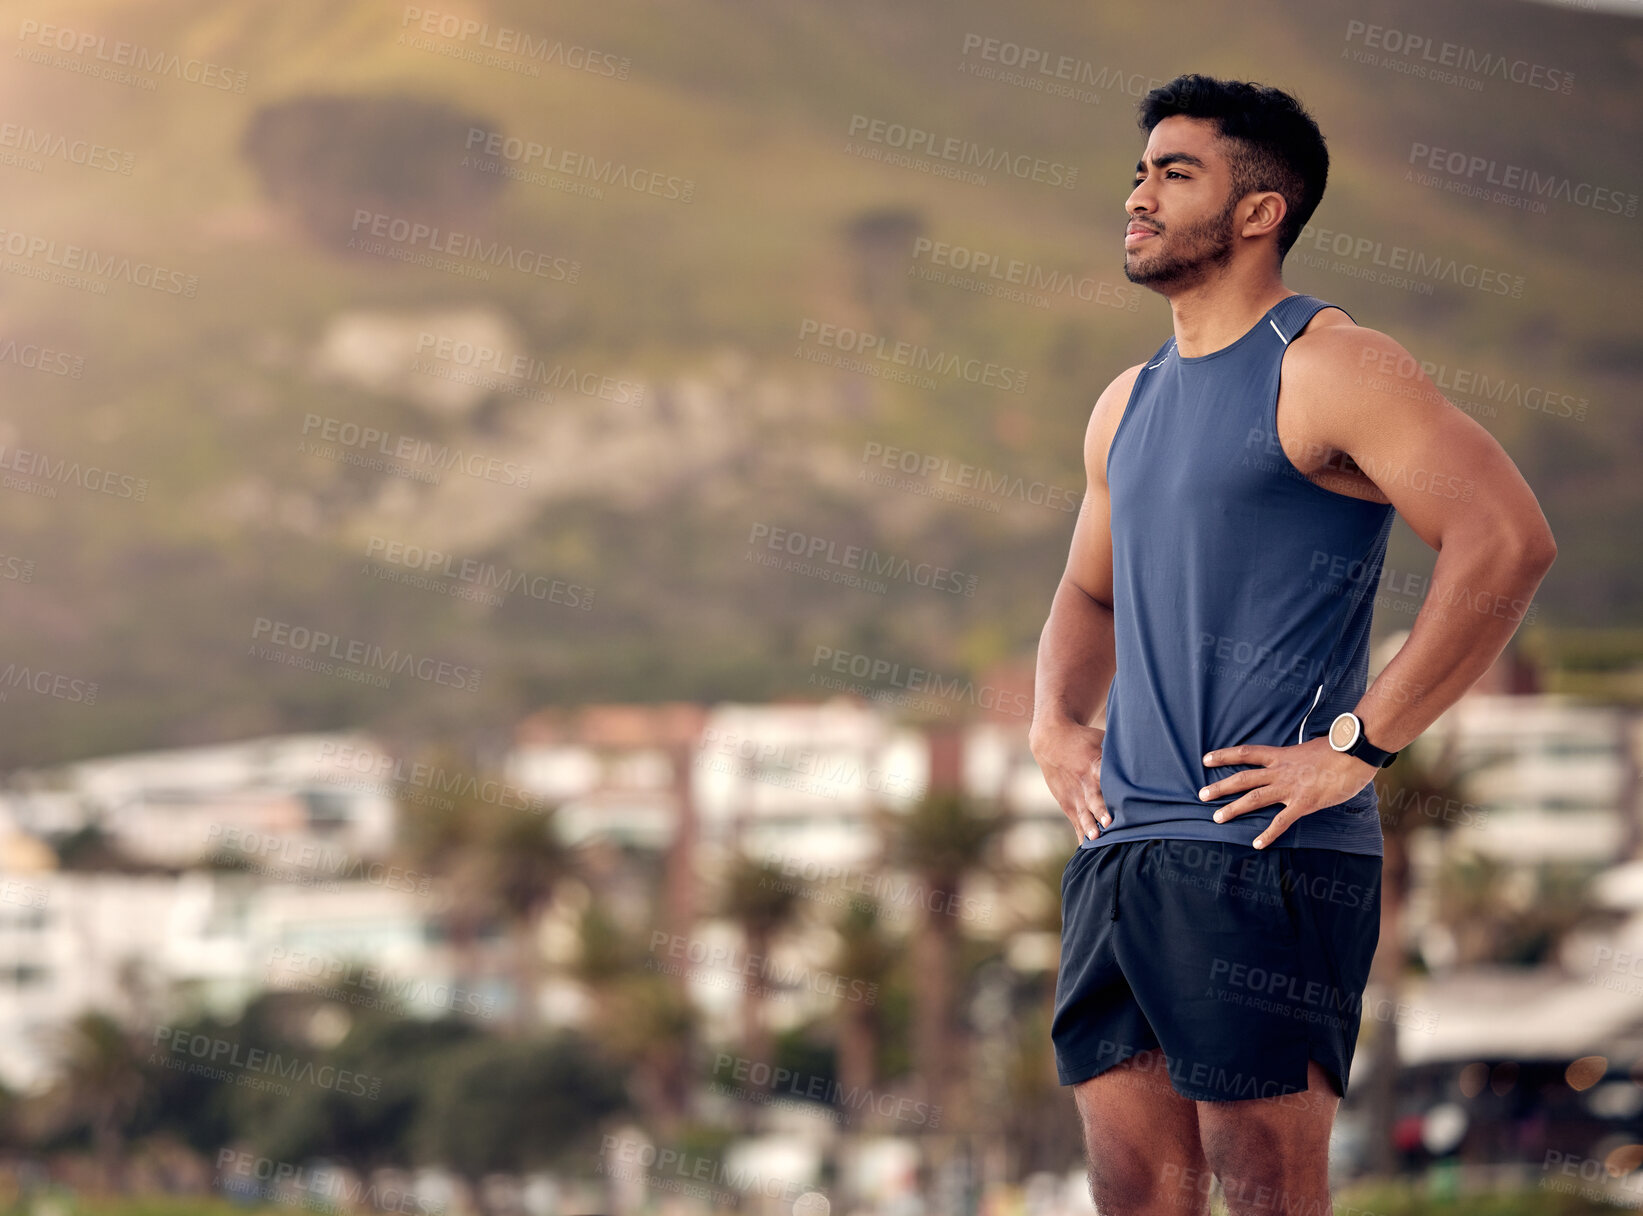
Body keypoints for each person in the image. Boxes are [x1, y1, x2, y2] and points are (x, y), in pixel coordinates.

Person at [1029, 73, 1556, 1214]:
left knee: (1262, 1189)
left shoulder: (1327, 364)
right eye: (1139, 171)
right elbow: (1086, 590)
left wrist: (1358, 747)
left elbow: (1503, 540)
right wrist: (1055, 724)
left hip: (1267, 851)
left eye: (1176, 173)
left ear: (1259, 210)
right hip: (1123, 850)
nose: (1139, 193)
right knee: (1134, 1196)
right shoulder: (1126, 400)